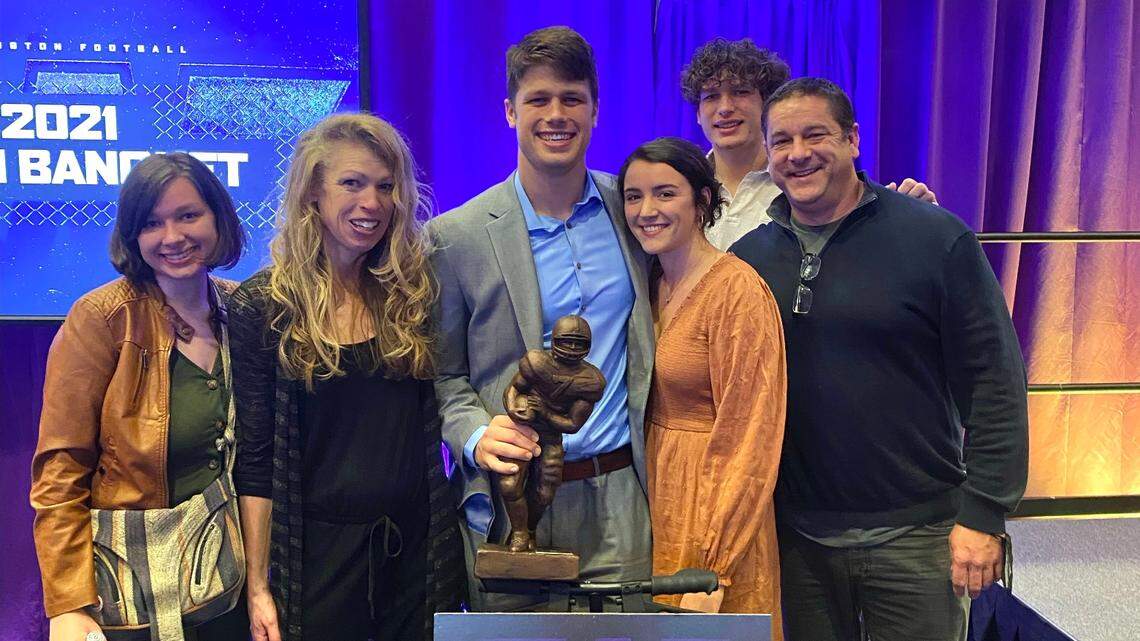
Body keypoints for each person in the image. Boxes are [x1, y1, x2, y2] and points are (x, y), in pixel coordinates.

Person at [731, 77, 1029, 641]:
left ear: (853, 139)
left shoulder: (935, 239)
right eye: (781, 141)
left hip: (918, 535)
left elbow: (995, 383)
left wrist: (984, 514)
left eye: (816, 135)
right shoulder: (749, 259)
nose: (798, 154)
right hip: (794, 540)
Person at [427, 26, 654, 610]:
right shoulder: (456, 236)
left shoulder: (637, 211)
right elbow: (443, 375)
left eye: (572, 98)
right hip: (510, 504)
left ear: (595, 110)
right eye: (538, 99)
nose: (556, 115)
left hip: (622, 501)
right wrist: (475, 435)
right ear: (510, 111)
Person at [230, 113, 464, 641]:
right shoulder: (264, 305)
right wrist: (259, 586)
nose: (371, 203)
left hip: (416, 555)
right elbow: (257, 462)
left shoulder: (412, 294)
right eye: (352, 183)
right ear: (313, 192)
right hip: (315, 562)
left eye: (385, 186)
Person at [30, 152, 249, 641]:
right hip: (132, 594)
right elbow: (60, 470)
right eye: (152, 223)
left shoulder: (244, 308)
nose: (172, 237)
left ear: (217, 218)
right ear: (133, 235)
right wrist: (68, 604)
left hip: (229, 588)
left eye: (188, 215)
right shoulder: (102, 317)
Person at [619, 137, 786, 635]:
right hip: (658, 498)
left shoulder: (737, 291)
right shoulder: (646, 282)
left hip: (716, 508)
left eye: (665, 193)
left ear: (703, 201)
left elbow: (750, 438)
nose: (647, 210)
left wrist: (714, 567)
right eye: (633, 196)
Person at [681, 37, 937, 250]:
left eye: (740, 92)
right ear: (697, 113)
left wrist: (910, 215)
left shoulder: (808, 178)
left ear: (768, 104)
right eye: (711, 97)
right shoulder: (682, 184)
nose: (725, 108)